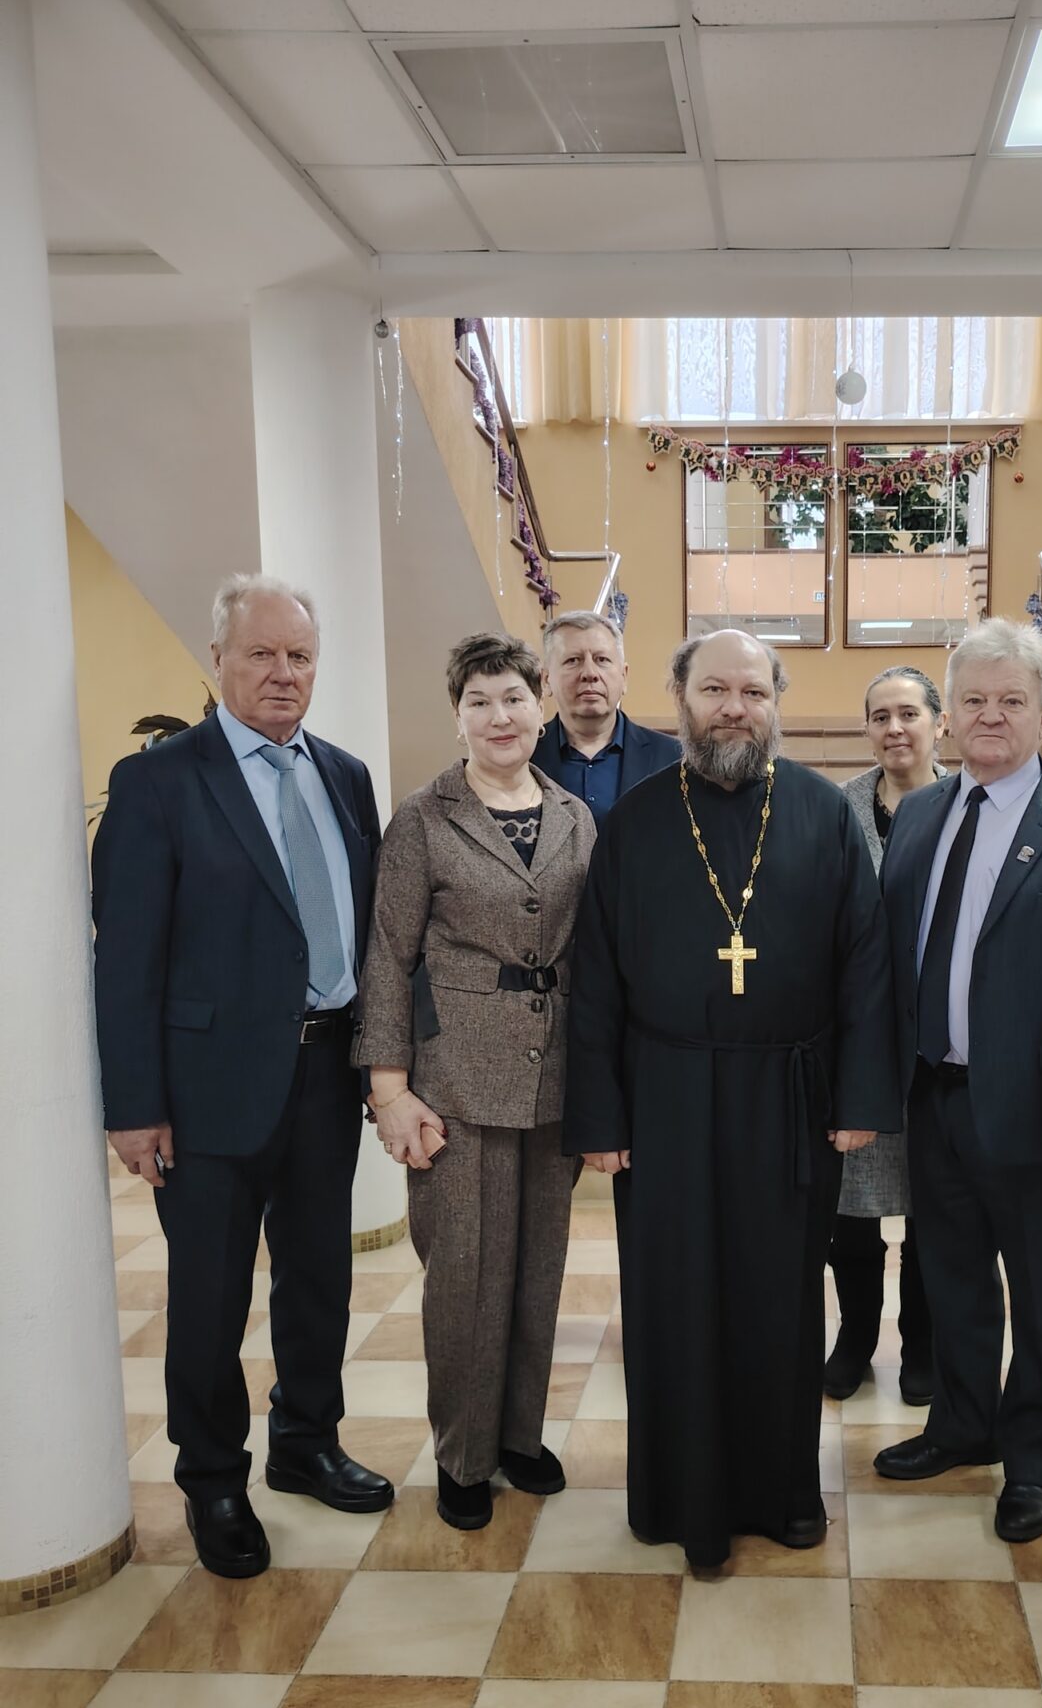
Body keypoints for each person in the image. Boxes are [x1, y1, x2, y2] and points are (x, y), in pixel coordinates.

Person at [564, 628, 901, 1569]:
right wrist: (600, 1116)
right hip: (664, 1098)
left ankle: (784, 1493)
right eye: (714, 690)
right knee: (672, 1300)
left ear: (775, 702)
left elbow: (865, 961)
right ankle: (681, 1501)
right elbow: (595, 980)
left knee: (780, 1299)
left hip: (791, 1096)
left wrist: (859, 1098)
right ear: (680, 698)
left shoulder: (822, 813)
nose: (734, 709)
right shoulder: (635, 820)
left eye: (753, 692)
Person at [93, 574, 393, 1579]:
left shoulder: (345, 775)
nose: (282, 673)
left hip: (325, 1075)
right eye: (261, 653)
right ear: (218, 658)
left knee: (320, 1278)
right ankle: (214, 1478)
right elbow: (125, 957)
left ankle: (307, 1442)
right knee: (210, 1297)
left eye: (299, 656)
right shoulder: (160, 782)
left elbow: (370, 931)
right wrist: (135, 1106)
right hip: (205, 1092)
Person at [875, 618, 1042, 1545]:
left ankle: (1034, 1463)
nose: (991, 716)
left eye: (1012, 701)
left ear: (1041, 711)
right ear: (948, 714)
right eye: (974, 701)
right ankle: (963, 1426)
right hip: (932, 1096)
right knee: (950, 1277)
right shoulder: (919, 814)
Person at [355, 634, 596, 1531]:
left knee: (537, 1272)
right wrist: (390, 1091)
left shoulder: (574, 815)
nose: (500, 717)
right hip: (453, 1083)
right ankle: (463, 1454)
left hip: (554, 1079)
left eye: (514, 699)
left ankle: (519, 1436)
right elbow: (388, 959)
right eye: (480, 702)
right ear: (457, 716)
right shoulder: (424, 819)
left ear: (541, 707)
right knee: (464, 1280)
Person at [824, 666, 945, 1406]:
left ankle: (923, 1344)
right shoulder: (836, 809)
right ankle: (856, 1338)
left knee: (934, 1207)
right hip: (856, 1040)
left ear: (939, 722)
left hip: (937, 1046)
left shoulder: (966, 805)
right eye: (880, 716)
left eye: (909, 713)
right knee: (851, 1212)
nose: (894, 728)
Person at [531, 609, 681, 827]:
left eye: (602, 659)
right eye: (573, 660)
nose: (590, 673)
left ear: (624, 676)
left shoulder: (672, 757)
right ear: (546, 680)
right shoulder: (525, 754)